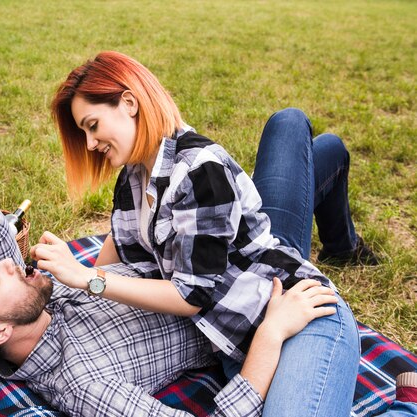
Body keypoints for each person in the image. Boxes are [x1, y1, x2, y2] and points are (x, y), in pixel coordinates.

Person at [32, 50, 379, 416]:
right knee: (303, 148)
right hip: (238, 340)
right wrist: (63, 294)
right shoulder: (133, 176)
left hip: (298, 311)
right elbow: (119, 251)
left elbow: (190, 295)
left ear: (129, 103)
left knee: (288, 124)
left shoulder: (199, 170)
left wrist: (89, 278)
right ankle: (331, 160)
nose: (89, 144)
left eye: (92, 125)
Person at [0, 197, 341, 417]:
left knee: (288, 126)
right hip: (254, 300)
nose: (7, 263)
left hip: (222, 250)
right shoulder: (82, 383)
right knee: (293, 135)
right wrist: (271, 333)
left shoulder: (36, 298)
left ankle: (343, 238)